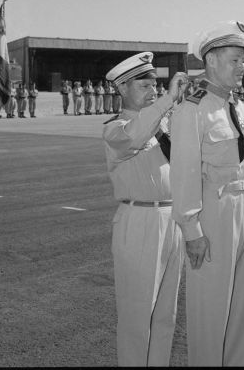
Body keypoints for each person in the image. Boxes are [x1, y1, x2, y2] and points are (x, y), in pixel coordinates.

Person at [170, 20, 244, 366]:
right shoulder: (191, 108)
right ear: (211, 60)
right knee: (210, 310)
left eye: (243, 60)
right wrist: (192, 231)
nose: (243, 67)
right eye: (235, 59)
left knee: (242, 306)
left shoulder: (237, 105)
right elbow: (184, 174)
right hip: (214, 213)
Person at [103, 52, 188, 367]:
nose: (153, 89)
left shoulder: (163, 123)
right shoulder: (117, 129)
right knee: (137, 316)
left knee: (166, 314)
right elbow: (137, 134)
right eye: (144, 84)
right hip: (139, 220)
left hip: (172, 218)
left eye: (156, 84)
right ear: (123, 88)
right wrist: (167, 100)